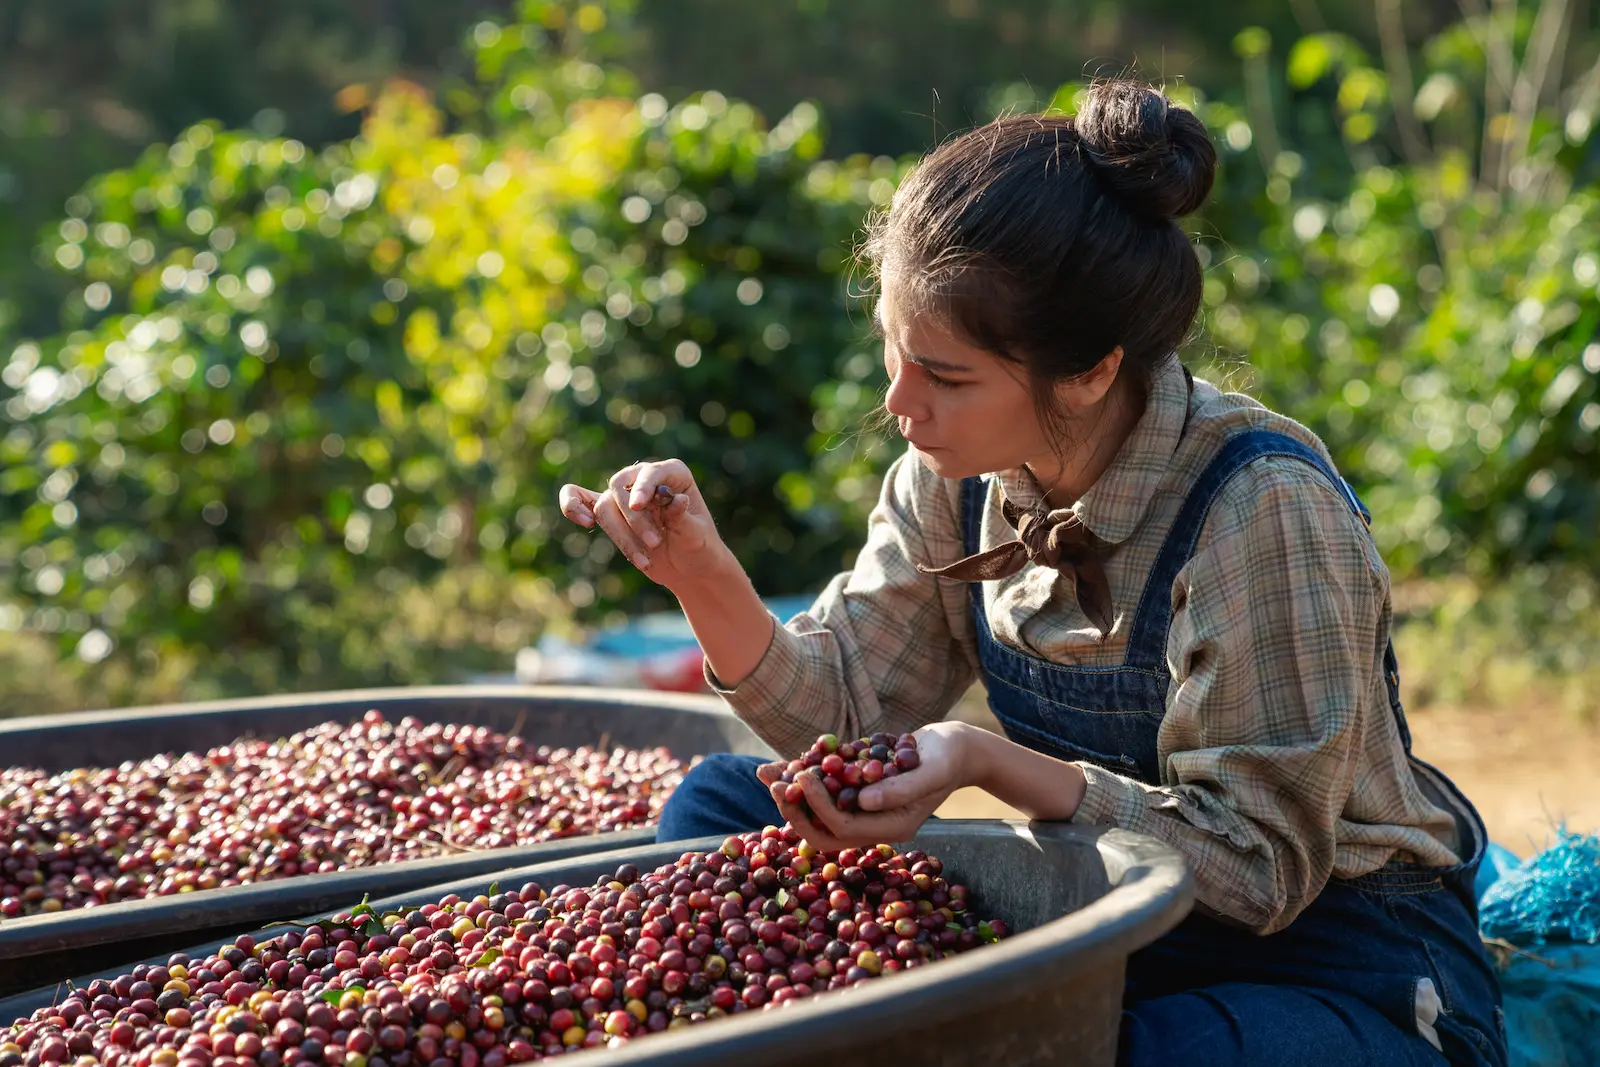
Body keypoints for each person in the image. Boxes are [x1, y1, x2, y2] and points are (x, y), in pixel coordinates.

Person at [557, 79, 1505, 1067]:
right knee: (723, 806)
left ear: (1090, 369)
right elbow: (841, 713)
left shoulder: (1257, 504)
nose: (898, 400)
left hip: (1337, 966)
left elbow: (1260, 867)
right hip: (1106, 918)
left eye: (946, 375)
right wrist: (703, 576)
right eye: (893, 350)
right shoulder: (953, 477)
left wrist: (984, 760)